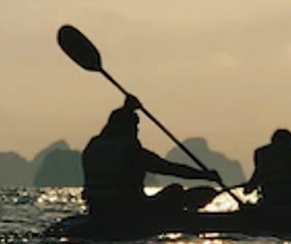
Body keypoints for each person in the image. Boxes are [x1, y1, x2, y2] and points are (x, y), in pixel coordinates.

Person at [82, 95, 221, 221]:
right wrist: (204, 175)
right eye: (135, 126)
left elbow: (114, 123)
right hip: (130, 212)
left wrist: (127, 108)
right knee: (176, 190)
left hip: (97, 210)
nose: (137, 130)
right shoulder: (131, 152)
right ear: (127, 128)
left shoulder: (94, 146)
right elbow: (169, 168)